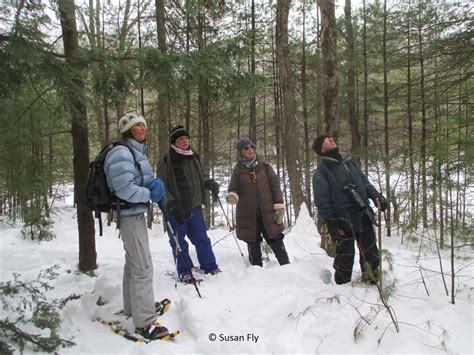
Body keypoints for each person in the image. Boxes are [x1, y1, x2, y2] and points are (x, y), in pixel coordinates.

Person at [104, 113, 170, 340]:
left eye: (143, 124)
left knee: (134, 265)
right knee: (143, 268)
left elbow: (139, 180)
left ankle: (134, 309)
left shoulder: (135, 152)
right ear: (127, 130)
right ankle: (145, 323)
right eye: (136, 126)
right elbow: (123, 188)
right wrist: (149, 194)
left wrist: (153, 183)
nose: (141, 128)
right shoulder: (122, 152)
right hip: (129, 216)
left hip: (134, 214)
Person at [312, 135, 387, 285]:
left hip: (363, 214)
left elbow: (364, 183)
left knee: (371, 254)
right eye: (327, 139)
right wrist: (333, 225)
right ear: (321, 148)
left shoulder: (348, 162)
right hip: (342, 222)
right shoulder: (321, 173)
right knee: (345, 258)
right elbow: (322, 203)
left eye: (331, 137)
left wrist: (377, 197)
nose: (332, 138)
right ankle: (342, 290)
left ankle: (370, 285)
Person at [156, 125, 220, 284]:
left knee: (202, 238)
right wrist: (170, 203)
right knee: (179, 242)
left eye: (186, 138)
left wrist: (208, 183)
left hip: (195, 206)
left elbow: (201, 175)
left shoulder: (193, 156)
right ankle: (184, 271)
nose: (185, 141)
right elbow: (161, 185)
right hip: (176, 209)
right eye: (180, 139)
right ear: (174, 143)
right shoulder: (165, 161)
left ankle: (209, 266)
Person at [226, 137, 290, 267]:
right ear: (240, 152)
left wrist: (279, 206)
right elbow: (233, 188)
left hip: (267, 210)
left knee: (275, 238)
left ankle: (286, 265)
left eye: (251, 147)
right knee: (252, 240)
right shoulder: (238, 170)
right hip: (248, 213)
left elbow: (275, 187)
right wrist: (233, 196)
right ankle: (256, 271)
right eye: (246, 148)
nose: (250, 149)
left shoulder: (265, 167)